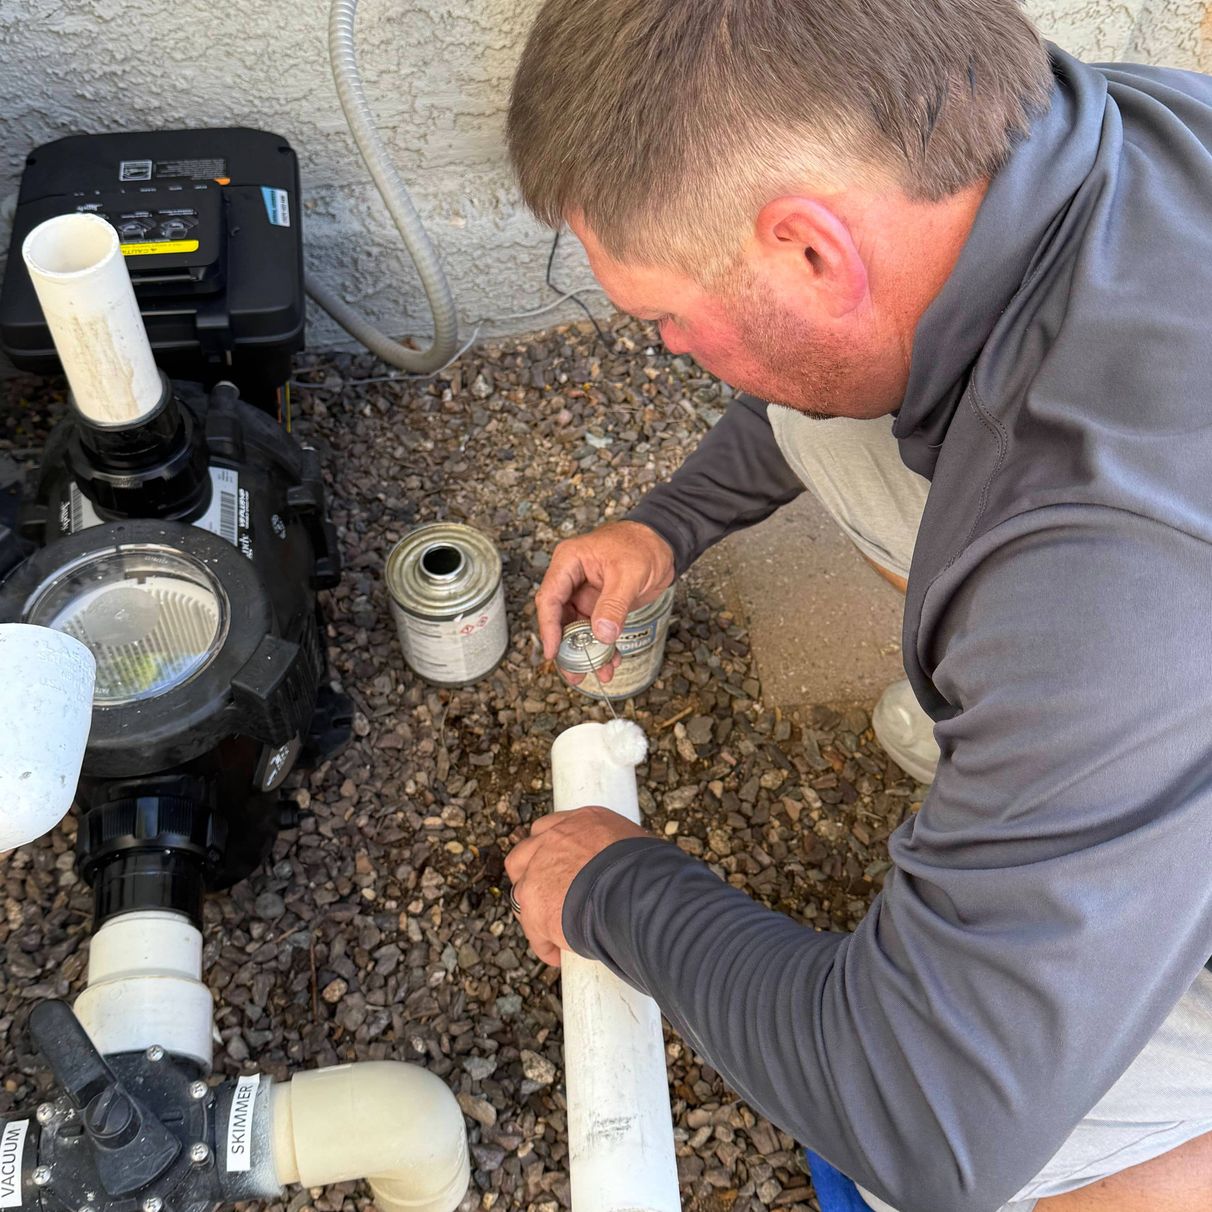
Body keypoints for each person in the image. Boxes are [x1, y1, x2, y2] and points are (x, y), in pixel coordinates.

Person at [501, 2, 1212, 1210]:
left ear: (811, 250)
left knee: (942, 1176)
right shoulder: (1091, 134)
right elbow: (821, 374)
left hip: (1146, 652)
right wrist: (666, 523)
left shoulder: (1103, 591)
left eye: (665, 316)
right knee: (825, 408)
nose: (668, 348)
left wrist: (610, 883)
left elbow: (918, 1117)